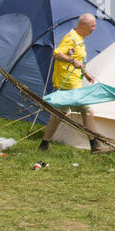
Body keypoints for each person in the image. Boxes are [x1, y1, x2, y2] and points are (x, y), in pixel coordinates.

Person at [39, 13, 107, 153]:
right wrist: (71, 61)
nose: (94, 29)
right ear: (83, 25)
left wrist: (85, 72)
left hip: (72, 80)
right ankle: (95, 145)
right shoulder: (71, 38)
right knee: (87, 111)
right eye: (92, 26)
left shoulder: (80, 38)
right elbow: (57, 54)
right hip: (68, 83)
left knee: (59, 113)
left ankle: (44, 144)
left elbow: (77, 57)